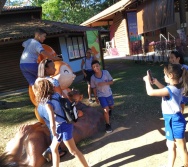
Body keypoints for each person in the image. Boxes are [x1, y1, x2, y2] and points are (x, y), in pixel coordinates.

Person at [34, 79, 89, 167]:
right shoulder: (56, 95)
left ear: (39, 90)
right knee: (53, 148)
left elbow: (52, 122)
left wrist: (54, 133)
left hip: (62, 127)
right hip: (63, 125)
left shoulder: (47, 104)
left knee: (73, 150)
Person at [143, 63, 188, 167]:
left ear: (171, 75)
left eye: (165, 74)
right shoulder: (178, 87)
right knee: (170, 145)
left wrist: (147, 81)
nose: (163, 76)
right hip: (172, 120)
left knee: (182, 148)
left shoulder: (170, 90)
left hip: (174, 121)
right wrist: (156, 82)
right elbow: (165, 89)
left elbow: (150, 92)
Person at [90, 60, 114, 133]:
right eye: (94, 67)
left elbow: (112, 81)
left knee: (111, 107)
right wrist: (96, 97)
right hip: (101, 95)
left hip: (108, 94)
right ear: (92, 68)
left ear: (99, 66)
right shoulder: (93, 78)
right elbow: (94, 88)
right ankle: (107, 125)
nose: (96, 68)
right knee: (105, 110)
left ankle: (108, 112)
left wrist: (104, 83)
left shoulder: (106, 72)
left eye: (97, 66)